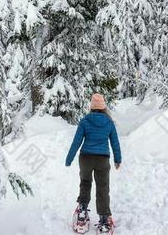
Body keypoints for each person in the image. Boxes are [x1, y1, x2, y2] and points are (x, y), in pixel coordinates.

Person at [65, 93, 122, 234]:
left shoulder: (85, 121)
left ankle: (82, 213)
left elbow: (76, 142)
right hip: (102, 159)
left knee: (85, 182)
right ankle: (104, 221)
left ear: (91, 106)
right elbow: (115, 142)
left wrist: (69, 158)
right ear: (103, 107)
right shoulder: (109, 122)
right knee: (103, 188)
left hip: (86, 158)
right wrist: (117, 159)